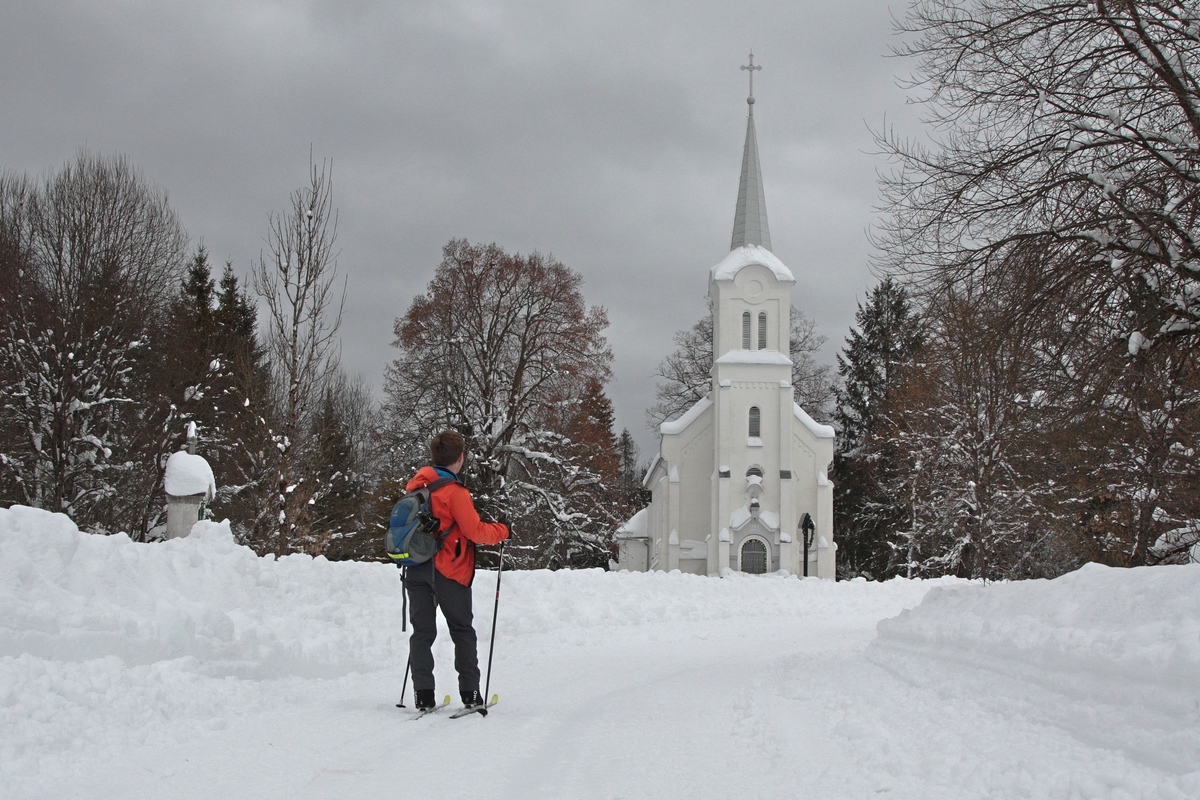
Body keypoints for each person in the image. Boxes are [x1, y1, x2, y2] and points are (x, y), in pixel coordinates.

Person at [403, 429, 509, 712]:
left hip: (415, 567)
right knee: (462, 630)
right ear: (460, 458)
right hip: (449, 570)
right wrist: (503, 531)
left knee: (422, 633)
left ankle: (423, 695)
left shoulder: (416, 488)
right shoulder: (455, 492)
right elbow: (474, 532)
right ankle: (470, 694)